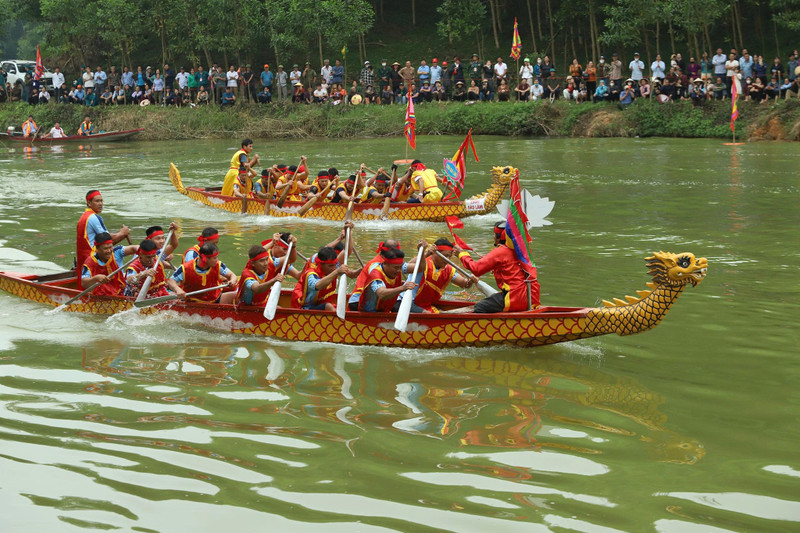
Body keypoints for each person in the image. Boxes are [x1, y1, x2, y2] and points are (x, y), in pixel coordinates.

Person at [454, 223, 539, 312]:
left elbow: (476, 269)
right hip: (531, 298)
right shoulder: (523, 250)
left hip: (514, 298)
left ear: (499, 237)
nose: (493, 237)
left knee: (479, 307)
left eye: (494, 235)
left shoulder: (501, 251)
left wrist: (462, 254)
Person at [401, 239, 476, 313]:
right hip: (407, 302)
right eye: (445, 256)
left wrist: (471, 281)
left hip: (426, 306)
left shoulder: (449, 270)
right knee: (430, 314)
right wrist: (426, 254)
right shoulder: (423, 262)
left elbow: (465, 284)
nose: (447, 259)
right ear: (435, 253)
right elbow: (406, 267)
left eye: (449, 256)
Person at [76, 190, 130, 274]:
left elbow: (105, 236)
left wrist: (120, 234)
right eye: (97, 201)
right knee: (117, 252)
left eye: (101, 201)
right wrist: (123, 233)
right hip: (93, 259)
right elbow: (107, 241)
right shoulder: (93, 217)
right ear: (89, 203)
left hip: (83, 259)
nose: (100, 204)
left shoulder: (83, 217)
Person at [353, 248, 416, 313]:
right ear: (385, 263)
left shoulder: (395, 268)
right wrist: (403, 288)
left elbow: (419, 268)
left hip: (384, 311)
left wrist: (422, 254)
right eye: (396, 267)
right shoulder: (375, 275)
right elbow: (382, 294)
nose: (398, 270)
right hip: (369, 313)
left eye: (400, 267)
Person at [291, 246, 354, 311]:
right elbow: (318, 286)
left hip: (318, 304)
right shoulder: (310, 274)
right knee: (328, 306)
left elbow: (347, 250)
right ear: (321, 264)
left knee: (333, 306)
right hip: (303, 308)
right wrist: (336, 271)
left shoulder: (332, 269)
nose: (333, 268)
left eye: (335, 265)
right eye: (330, 266)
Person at [168, 243, 236, 303]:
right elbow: (171, 281)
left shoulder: (218, 265)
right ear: (205, 258)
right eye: (214, 258)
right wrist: (177, 289)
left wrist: (232, 281)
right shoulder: (185, 268)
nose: (217, 260)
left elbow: (232, 275)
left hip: (215, 298)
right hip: (193, 302)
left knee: (236, 295)